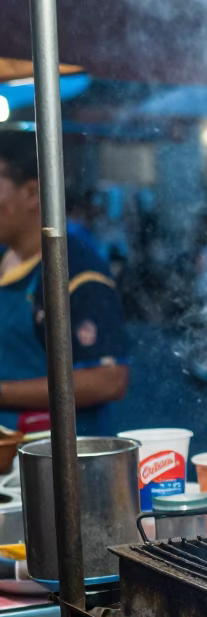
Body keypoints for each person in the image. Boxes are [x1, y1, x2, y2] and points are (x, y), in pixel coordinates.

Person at [0, 129, 129, 436]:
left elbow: (110, 379)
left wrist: (3, 393)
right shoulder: (4, 258)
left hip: (60, 464)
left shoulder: (75, 268)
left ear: (32, 193)